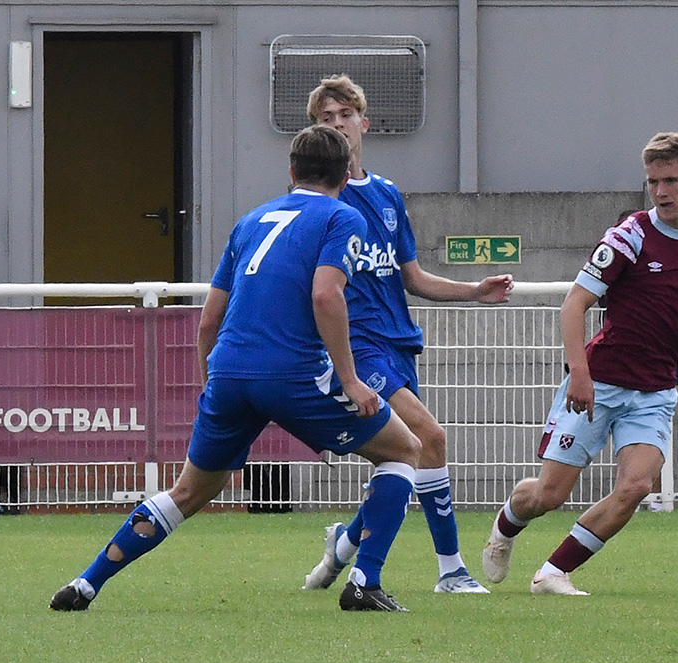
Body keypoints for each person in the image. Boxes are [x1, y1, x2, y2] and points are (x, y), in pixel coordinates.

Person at [51, 125, 421, 613]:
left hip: (227, 369)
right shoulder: (343, 217)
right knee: (404, 450)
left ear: (290, 172)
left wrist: (214, 386)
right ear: (346, 173)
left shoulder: (251, 220)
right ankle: (364, 581)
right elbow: (326, 294)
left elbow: (209, 319)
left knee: (187, 492)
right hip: (293, 373)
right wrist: (349, 379)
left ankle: (87, 582)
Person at [482, 131, 678, 595]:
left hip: (654, 391)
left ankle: (553, 572)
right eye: (653, 181)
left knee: (638, 486)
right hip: (600, 381)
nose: (661, 191)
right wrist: (581, 374)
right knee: (549, 496)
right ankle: (506, 526)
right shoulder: (627, 237)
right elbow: (574, 306)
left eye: (670, 180)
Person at [301, 75, 513, 595]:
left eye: (343, 116)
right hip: (360, 347)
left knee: (399, 458)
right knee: (429, 439)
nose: (336, 125)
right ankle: (451, 570)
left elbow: (412, 278)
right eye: (325, 119)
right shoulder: (318, 202)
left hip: (399, 346)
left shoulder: (388, 196)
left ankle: (344, 544)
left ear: (363, 124)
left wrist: (473, 290)